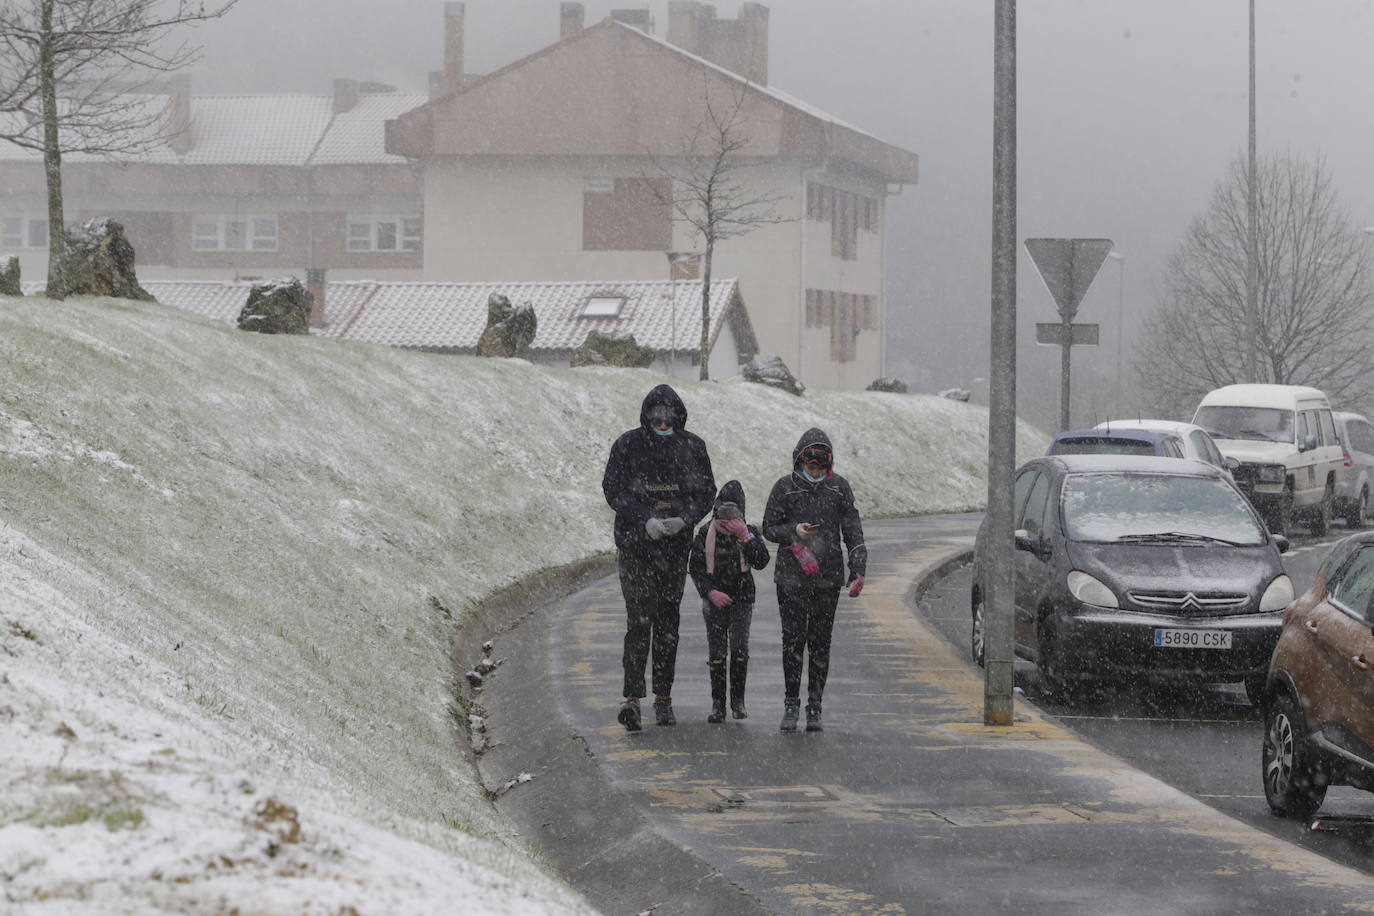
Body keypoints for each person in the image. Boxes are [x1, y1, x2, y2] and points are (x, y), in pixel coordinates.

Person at [602, 384, 716, 731]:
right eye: (656, 417)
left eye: (669, 417)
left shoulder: (693, 447)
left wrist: (684, 518)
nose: (663, 423)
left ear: (678, 416)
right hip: (636, 548)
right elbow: (613, 489)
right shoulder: (627, 445)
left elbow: (706, 492)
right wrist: (644, 519)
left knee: (668, 623)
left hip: (674, 549)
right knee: (639, 622)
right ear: (646, 416)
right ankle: (632, 698)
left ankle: (664, 697)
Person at [762, 428, 866, 733]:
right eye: (811, 467)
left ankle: (815, 705)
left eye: (821, 468)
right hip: (791, 577)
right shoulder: (784, 487)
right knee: (793, 642)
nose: (816, 473)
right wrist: (793, 531)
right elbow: (768, 527)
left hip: (828, 579)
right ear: (799, 462)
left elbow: (853, 532)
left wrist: (858, 569)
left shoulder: (839, 488)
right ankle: (791, 704)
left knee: (820, 644)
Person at [688, 480, 770, 723]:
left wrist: (745, 537)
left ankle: (738, 701)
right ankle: (718, 705)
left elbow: (761, 561)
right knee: (716, 652)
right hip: (714, 601)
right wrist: (710, 592)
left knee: (739, 650)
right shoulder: (705, 533)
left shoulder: (748, 531)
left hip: (742, 599)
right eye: (723, 514)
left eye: (733, 514)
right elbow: (695, 567)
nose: (727, 521)